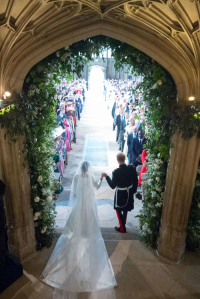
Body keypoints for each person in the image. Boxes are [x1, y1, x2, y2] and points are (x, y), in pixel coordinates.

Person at [41, 161, 117, 299]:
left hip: (79, 206)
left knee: (72, 227)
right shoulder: (91, 177)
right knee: (90, 226)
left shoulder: (76, 178)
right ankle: (86, 232)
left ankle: (79, 232)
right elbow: (97, 187)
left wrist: (80, 197)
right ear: (89, 169)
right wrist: (100, 178)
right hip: (88, 207)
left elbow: (74, 193)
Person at [102, 153, 138, 233]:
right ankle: (123, 223)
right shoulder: (132, 169)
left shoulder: (116, 172)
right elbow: (135, 181)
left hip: (120, 193)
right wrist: (134, 191)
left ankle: (122, 228)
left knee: (118, 209)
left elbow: (112, 186)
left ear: (117, 159)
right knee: (125, 209)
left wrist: (107, 177)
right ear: (124, 159)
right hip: (129, 192)